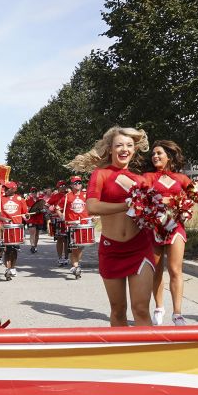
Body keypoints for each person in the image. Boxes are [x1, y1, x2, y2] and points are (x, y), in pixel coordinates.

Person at [71, 126, 154, 327]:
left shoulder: (141, 179)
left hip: (140, 248)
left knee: (141, 309)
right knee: (118, 311)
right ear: (110, 149)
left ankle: (149, 357)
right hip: (112, 250)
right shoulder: (100, 174)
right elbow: (91, 206)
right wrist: (126, 204)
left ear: (134, 150)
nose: (124, 149)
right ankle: (123, 356)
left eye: (129, 145)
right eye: (119, 145)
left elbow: (152, 209)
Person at [145, 140, 195, 326]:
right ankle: (159, 308)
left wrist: (185, 203)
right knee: (156, 270)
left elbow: (196, 197)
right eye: (153, 154)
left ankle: (178, 313)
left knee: (175, 270)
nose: (155, 156)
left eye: (159, 153)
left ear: (169, 156)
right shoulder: (148, 177)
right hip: (153, 228)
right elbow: (140, 197)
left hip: (175, 227)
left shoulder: (181, 178)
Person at [0, 180, 27, 281]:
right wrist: (4, 219)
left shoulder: (20, 199)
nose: (4, 189)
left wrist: (26, 216)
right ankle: (8, 268)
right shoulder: (0, 199)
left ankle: (13, 267)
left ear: (13, 189)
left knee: (15, 249)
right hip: (5, 227)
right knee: (7, 249)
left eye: (7, 188)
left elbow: (25, 213)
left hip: (16, 227)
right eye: (4, 187)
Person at [61, 176, 90, 277]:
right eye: (75, 183)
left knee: (80, 247)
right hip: (72, 225)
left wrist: (93, 215)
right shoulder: (67, 196)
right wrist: (62, 216)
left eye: (79, 182)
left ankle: (76, 263)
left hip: (83, 225)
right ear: (71, 185)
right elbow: (57, 208)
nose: (78, 184)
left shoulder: (86, 195)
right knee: (74, 247)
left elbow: (91, 208)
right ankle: (76, 265)